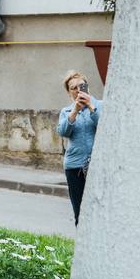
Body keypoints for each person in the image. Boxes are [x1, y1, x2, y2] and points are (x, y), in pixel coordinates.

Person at [56, 70, 100, 225]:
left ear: (87, 86)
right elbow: (63, 132)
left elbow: (106, 127)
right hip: (75, 166)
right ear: (69, 93)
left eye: (81, 85)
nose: (78, 89)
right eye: (73, 87)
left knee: (99, 210)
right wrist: (75, 111)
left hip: (99, 165)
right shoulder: (66, 111)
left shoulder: (100, 105)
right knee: (80, 213)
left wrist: (90, 106)